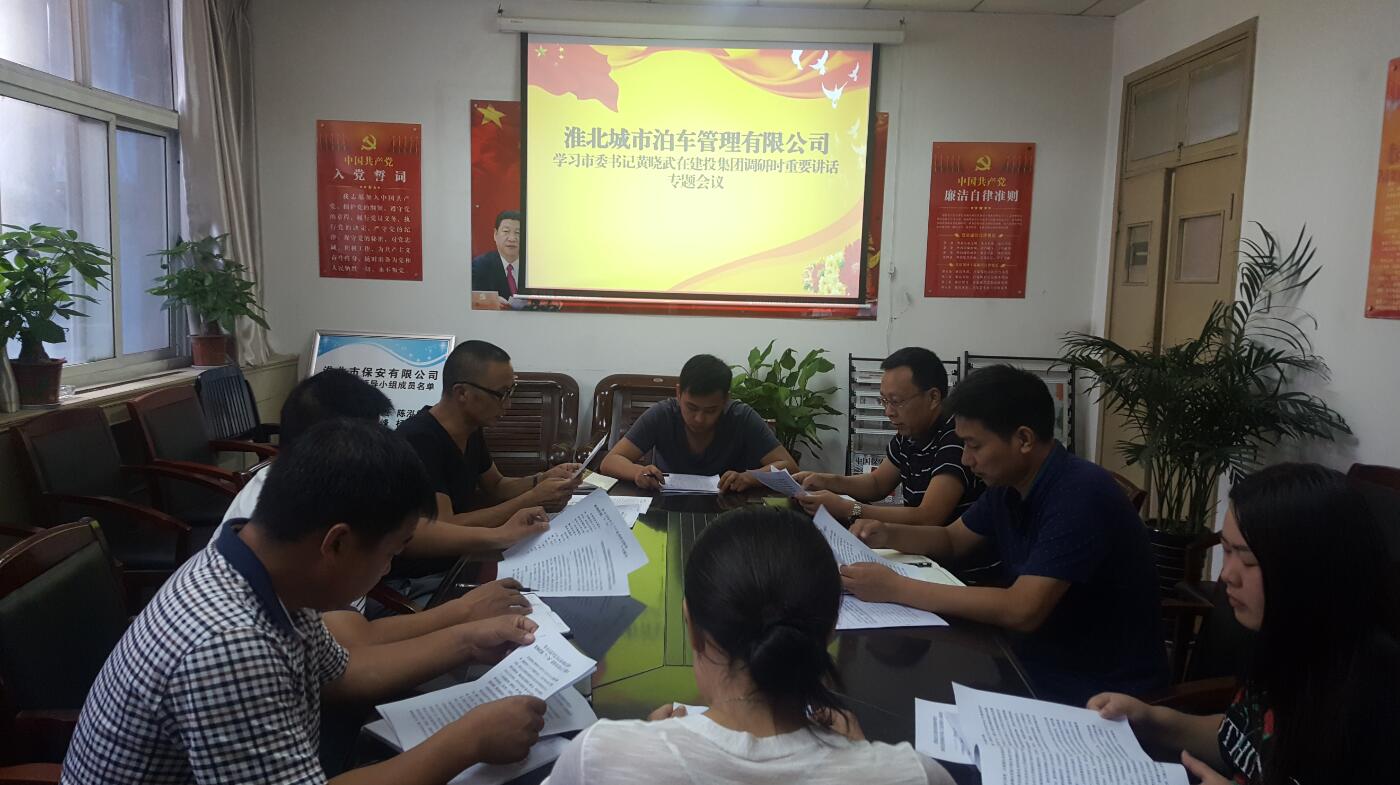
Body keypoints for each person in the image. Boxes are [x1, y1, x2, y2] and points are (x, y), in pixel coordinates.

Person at [63, 419, 547, 785]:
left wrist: (467, 641)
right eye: (391, 552)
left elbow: (341, 673)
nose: (387, 569)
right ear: (336, 543)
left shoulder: (256, 568)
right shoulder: (230, 645)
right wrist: (469, 740)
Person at [544, 507, 953, 785]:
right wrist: (860, 759)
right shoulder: (914, 775)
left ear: (691, 626)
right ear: (830, 630)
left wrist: (644, 747)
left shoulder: (600, 757)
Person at [839, 364, 1168, 705]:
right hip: (1032, 660)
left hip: (1098, 693)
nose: (966, 459)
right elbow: (953, 540)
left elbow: (1022, 609)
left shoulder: (1080, 493)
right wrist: (886, 533)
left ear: (1023, 439)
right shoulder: (1010, 485)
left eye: (974, 445)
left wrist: (897, 588)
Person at [1088, 463, 1400, 785]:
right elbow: (1242, 740)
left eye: (1247, 560)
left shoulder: (1374, 693)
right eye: (1226, 550)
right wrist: (1151, 719)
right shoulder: (1283, 638)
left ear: (1310, 569)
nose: (1227, 575)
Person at [216, 367, 544, 649]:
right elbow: (354, 652)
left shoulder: (320, 489)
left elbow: (339, 654)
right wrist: (464, 617)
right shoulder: (294, 518)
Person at [397, 340, 580, 528]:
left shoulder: (471, 428)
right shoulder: (419, 439)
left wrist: (543, 479)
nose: (508, 404)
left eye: (510, 392)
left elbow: (497, 485)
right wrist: (532, 499)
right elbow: (444, 527)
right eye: (501, 394)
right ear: (462, 393)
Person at [796, 347, 982, 527]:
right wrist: (824, 481)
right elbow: (877, 484)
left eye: (896, 401)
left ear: (933, 397)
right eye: (884, 401)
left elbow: (928, 517)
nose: (888, 412)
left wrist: (850, 509)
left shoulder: (957, 437)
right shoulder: (910, 432)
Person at [599, 354, 797, 493]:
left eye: (710, 410)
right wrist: (638, 472)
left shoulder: (741, 417)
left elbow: (789, 466)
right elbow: (610, 461)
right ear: (678, 393)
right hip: (667, 506)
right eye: (691, 408)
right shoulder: (663, 414)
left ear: (726, 399)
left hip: (726, 510)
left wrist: (749, 478)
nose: (699, 419)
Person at [471, 210, 521, 300]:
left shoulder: (534, 268)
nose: (512, 238)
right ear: (495, 234)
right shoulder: (480, 266)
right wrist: (492, 302)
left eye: (518, 233)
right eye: (506, 231)